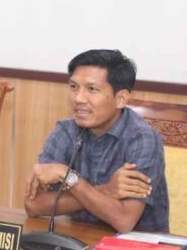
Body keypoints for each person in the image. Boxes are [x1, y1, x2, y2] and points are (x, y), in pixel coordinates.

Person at [24, 49, 169, 232]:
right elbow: (33, 205)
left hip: (136, 246)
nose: (78, 98)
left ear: (121, 99)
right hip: (80, 239)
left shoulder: (143, 139)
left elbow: (124, 220)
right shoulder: (66, 131)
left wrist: (67, 176)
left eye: (92, 89)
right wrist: (106, 189)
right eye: (74, 87)